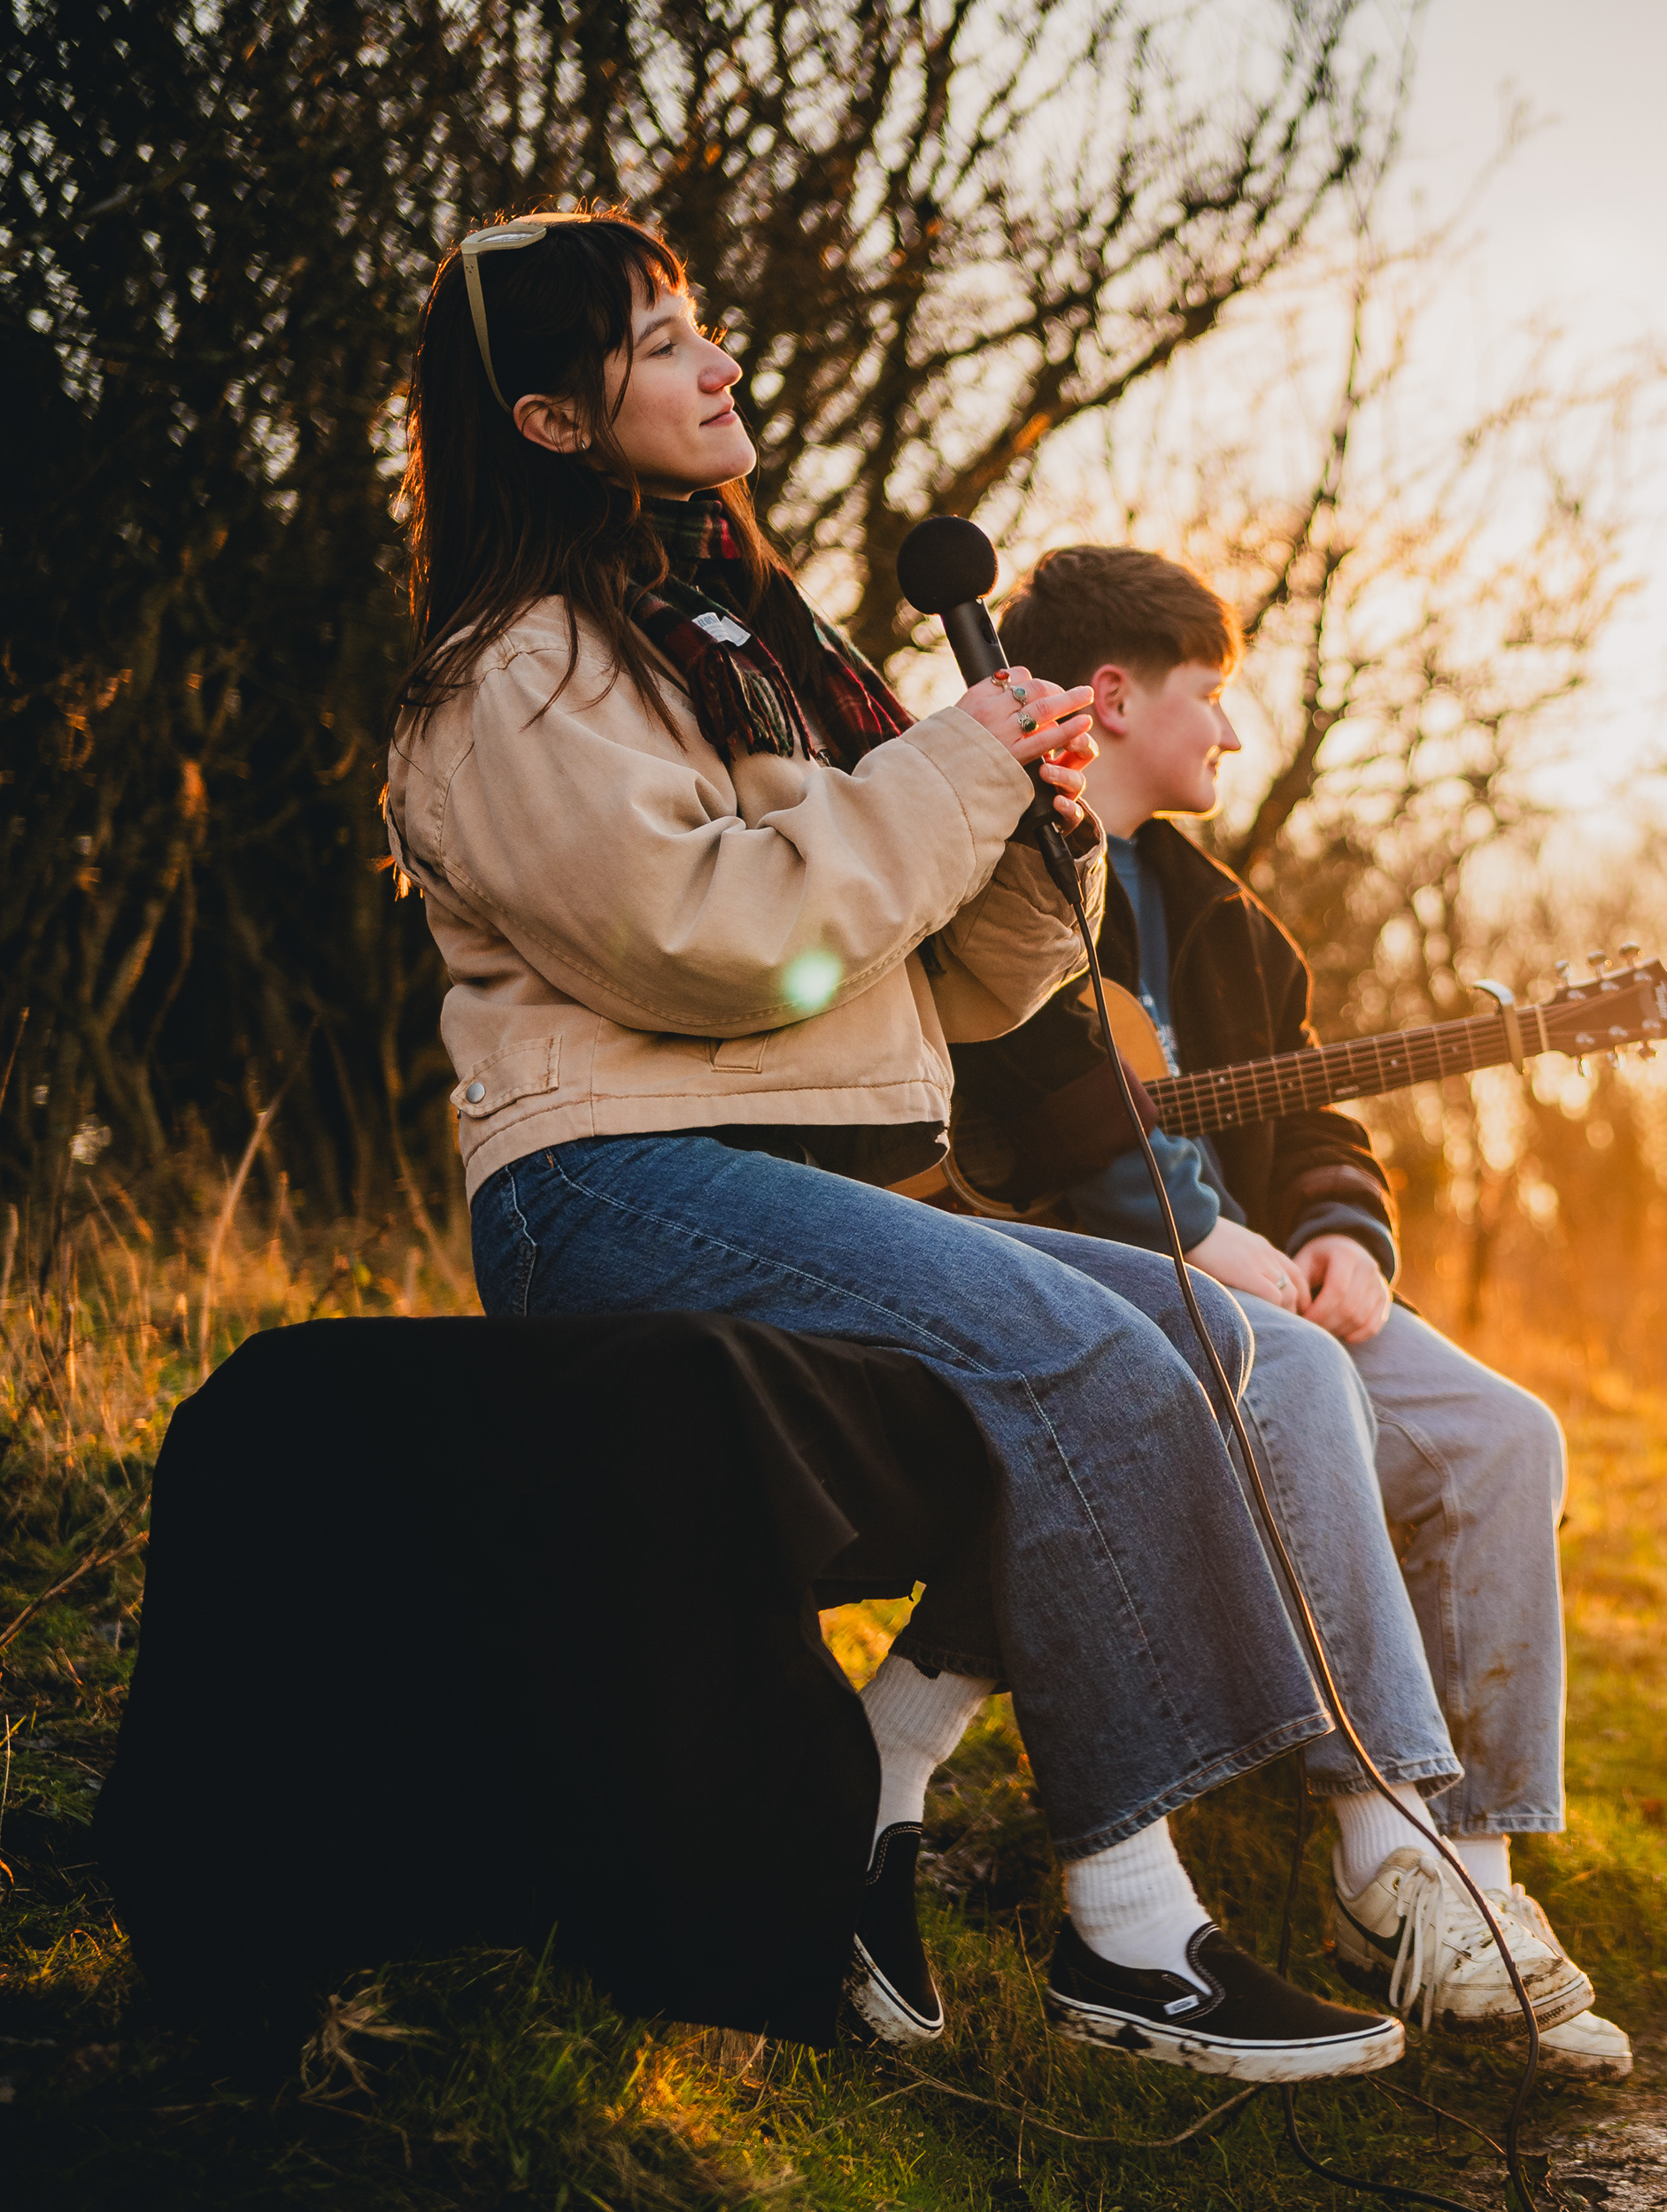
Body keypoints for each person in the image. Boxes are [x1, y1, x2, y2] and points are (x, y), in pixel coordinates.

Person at [380, 209, 1403, 2081]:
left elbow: (958, 986)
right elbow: (716, 940)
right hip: (610, 1181)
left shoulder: (758, 646)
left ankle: (878, 1778)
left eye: (704, 322)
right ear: (546, 419)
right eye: (660, 340)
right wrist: (950, 771)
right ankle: (1130, 1932)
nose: (719, 361)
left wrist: (1031, 834)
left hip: (806, 1175)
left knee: (1222, 1347)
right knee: (1091, 1360)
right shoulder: (507, 676)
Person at [944, 545, 1633, 2079]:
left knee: (1506, 1435)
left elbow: (1318, 1112)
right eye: (1212, 698)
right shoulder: (989, 858)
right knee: (1301, 1392)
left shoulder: (1235, 926)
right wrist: (1199, 1233)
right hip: (1087, 1284)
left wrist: (1339, 1233)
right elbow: (1031, 1088)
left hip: (1275, 1283)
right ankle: (1385, 1854)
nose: (1234, 733)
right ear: (1113, 698)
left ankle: (1467, 1889)